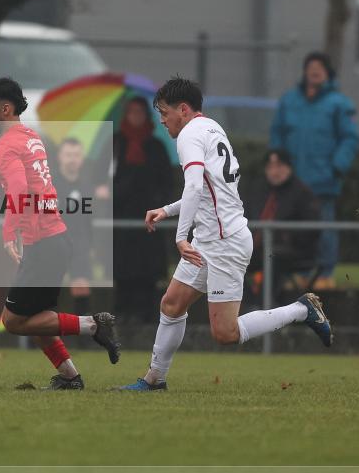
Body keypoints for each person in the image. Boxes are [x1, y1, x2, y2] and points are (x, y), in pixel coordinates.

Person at [117, 77, 332, 392]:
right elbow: (206, 190)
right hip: (211, 240)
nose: (161, 120)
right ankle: (154, 379)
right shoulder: (212, 128)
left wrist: (180, 237)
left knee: (226, 333)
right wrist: (167, 209)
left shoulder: (189, 135)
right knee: (172, 304)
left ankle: (302, 309)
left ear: (184, 109)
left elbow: (193, 187)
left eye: (164, 112)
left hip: (224, 243)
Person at [0, 77, 121, 390]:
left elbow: (17, 187)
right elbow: (5, 178)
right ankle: (71, 377)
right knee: (35, 319)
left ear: (5, 108)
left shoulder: (6, 143)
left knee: (12, 321)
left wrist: (10, 231)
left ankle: (92, 325)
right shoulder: (30, 136)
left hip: (44, 244)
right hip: (55, 240)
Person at [270, 52, 359, 289]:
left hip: (323, 180)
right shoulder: (289, 101)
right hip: (292, 181)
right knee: (293, 230)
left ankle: (325, 273)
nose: (315, 70)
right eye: (311, 66)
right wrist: (277, 164)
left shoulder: (339, 104)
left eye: (320, 66)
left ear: (328, 72)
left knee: (324, 227)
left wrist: (336, 167)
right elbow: (277, 133)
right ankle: (301, 272)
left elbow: (350, 139)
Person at [111, 96, 174, 323]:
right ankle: (123, 316)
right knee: (122, 271)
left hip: (149, 220)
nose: (135, 117)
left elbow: (167, 182)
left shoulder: (156, 147)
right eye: (131, 112)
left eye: (140, 112)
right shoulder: (115, 144)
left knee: (147, 273)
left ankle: (145, 317)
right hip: (121, 221)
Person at [244, 149, 321, 296]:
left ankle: (264, 306)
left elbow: (312, 228)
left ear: (289, 167)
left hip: (294, 251)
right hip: (258, 248)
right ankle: (247, 303)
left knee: (272, 256)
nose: (274, 172)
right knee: (230, 256)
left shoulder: (302, 193)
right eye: (270, 167)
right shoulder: (257, 191)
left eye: (279, 166)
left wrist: (285, 237)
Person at [50, 138, 96, 315]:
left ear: (82, 158)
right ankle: (42, 335)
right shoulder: (48, 185)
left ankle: (83, 338)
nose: (72, 159)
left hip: (79, 245)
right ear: (60, 157)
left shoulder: (86, 186)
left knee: (81, 289)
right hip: (52, 244)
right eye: (68, 154)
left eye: (76, 155)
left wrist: (89, 246)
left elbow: (88, 220)